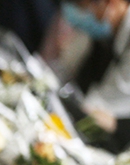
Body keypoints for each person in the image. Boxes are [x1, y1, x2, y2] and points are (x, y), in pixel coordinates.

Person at [51, 0, 130, 149]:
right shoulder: (114, 36)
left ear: (111, 4)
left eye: (85, 7)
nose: (89, 15)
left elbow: (105, 102)